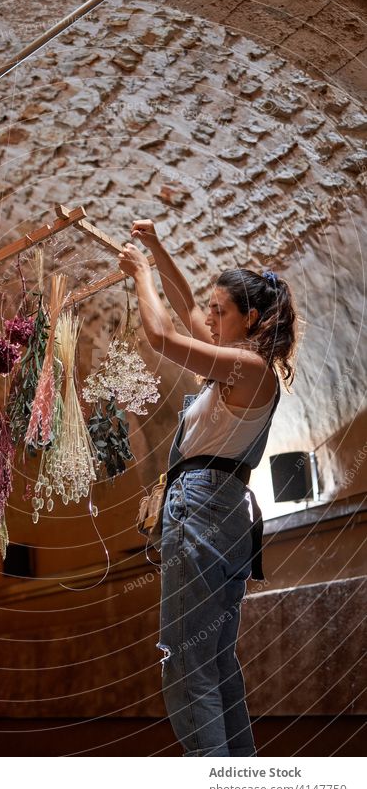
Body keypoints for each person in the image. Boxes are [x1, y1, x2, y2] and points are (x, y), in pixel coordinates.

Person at [118, 219, 298, 757]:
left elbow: (162, 335)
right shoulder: (236, 367)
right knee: (215, 661)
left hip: (203, 505)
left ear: (252, 319)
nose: (210, 318)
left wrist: (141, 273)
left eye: (222, 311)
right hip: (221, 508)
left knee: (183, 658)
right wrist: (158, 248)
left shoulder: (248, 366)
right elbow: (186, 304)